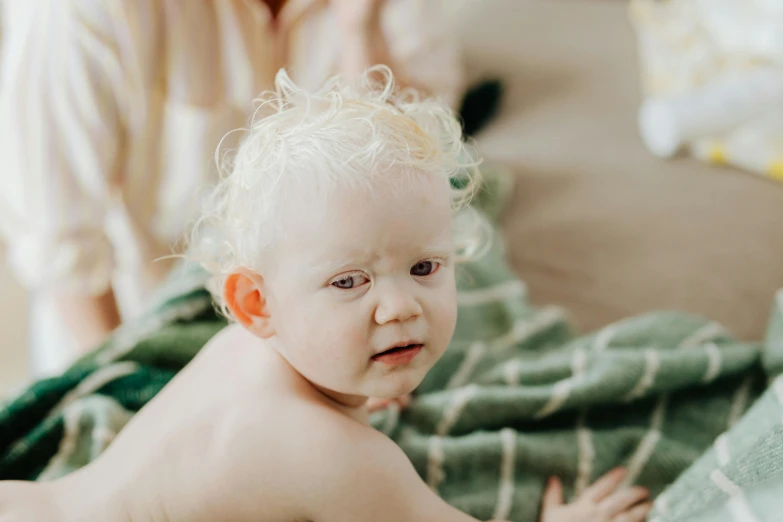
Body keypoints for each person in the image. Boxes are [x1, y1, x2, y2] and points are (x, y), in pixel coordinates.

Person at [0, 67, 651, 522]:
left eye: (424, 267)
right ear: (257, 304)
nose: (399, 306)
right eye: (349, 282)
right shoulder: (344, 461)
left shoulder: (246, 349)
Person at [0, 0, 464, 376]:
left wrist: (360, 30)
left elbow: (416, 169)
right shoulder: (77, 13)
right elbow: (60, 243)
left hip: (334, 320)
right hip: (132, 318)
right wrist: (126, 387)